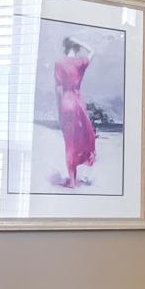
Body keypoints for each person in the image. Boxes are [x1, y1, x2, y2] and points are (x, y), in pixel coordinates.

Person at [47, 36, 98, 190]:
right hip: (78, 103)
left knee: (69, 144)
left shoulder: (59, 63)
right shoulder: (81, 62)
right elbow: (92, 51)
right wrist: (80, 41)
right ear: (76, 48)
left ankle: (73, 181)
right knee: (84, 138)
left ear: (65, 48)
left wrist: (60, 108)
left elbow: (58, 88)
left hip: (65, 103)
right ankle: (79, 172)